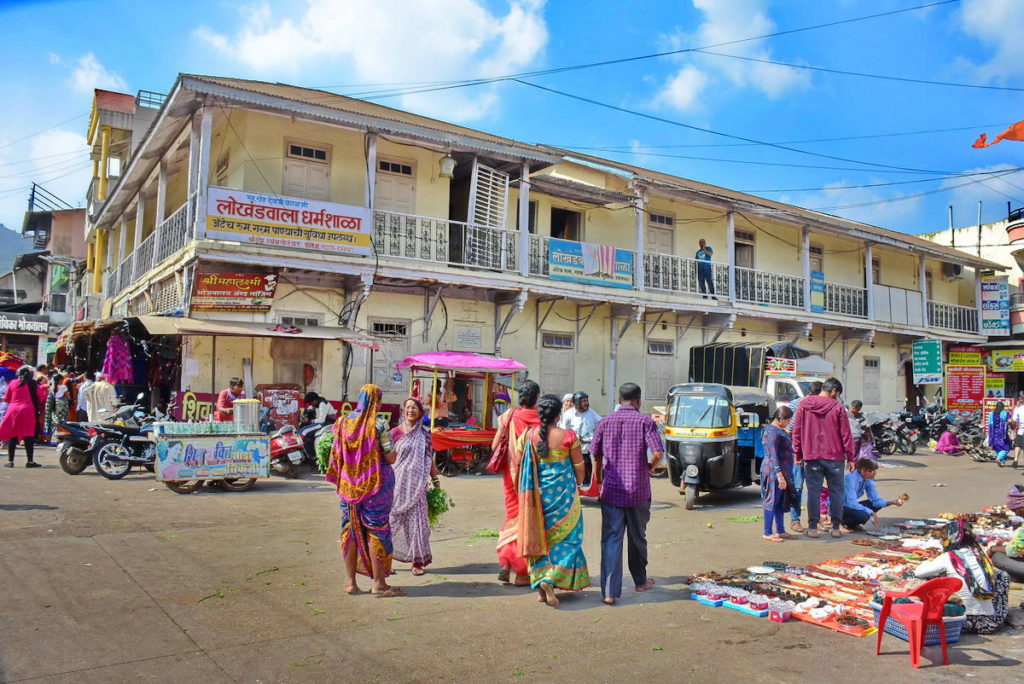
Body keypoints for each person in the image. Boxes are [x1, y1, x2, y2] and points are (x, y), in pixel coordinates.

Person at [325, 384, 404, 598]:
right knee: (377, 530)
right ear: (376, 402)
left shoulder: (342, 423)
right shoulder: (378, 425)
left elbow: (335, 455)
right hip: (376, 486)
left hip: (348, 486)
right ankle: (379, 584)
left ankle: (350, 582)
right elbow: (391, 457)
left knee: (350, 530)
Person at [590, 382, 665, 605]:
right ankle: (640, 581)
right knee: (637, 537)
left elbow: (595, 454)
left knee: (611, 540)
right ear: (638, 400)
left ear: (619, 399)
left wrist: (600, 480)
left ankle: (609, 592)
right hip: (638, 490)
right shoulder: (645, 421)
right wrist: (649, 466)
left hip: (611, 489)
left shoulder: (604, 421)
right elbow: (658, 452)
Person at [517, 394, 590, 607]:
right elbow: (579, 466)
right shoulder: (568, 436)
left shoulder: (529, 435)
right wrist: (576, 485)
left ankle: (540, 582)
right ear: (559, 414)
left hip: (538, 498)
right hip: (565, 498)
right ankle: (551, 579)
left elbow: (520, 463)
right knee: (570, 540)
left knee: (542, 539)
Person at [914, 519, 1009, 634]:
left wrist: (932, 559)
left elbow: (918, 572)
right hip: (991, 623)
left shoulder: (948, 557)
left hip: (960, 623)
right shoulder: (979, 555)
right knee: (1001, 575)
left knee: (918, 576)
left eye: (943, 539)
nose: (940, 542)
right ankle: (992, 610)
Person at [491, 380, 541, 585]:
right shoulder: (541, 418)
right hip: (534, 477)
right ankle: (522, 572)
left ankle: (505, 563)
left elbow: (495, 445)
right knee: (529, 520)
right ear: (537, 398)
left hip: (510, 475)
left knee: (512, 516)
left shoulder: (508, 415)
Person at [791, 377, 854, 539]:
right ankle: (835, 528)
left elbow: (796, 431)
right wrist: (851, 458)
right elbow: (846, 435)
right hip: (835, 457)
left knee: (813, 491)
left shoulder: (804, 405)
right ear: (834, 391)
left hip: (811, 456)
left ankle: (812, 528)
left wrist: (797, 453)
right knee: (836, 491)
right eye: (837, 393)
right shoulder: (838, 407)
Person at [389, 397, 438, 576]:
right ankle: (385, 560)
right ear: (403, 411)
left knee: (416, 525)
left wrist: (436, 481)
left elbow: (428, 458)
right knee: (392, 523)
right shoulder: (394, 432)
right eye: (408, 407)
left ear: (420, 412)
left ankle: (417, 562)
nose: (410, 410)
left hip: (418, 487)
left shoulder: (425, 434)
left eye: (414, 408)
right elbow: (387, 458)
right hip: (397, 484)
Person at [787, 380, 822, 534]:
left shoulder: (823, 406)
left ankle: (815, 520)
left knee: (816, 488)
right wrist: (796, 451)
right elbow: (789, 429)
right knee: (798, 486)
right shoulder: (798, 405)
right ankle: (795, 520)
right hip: (799, 455)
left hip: (816, 453)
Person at [0, 365, 47, 468]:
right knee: (28, 436)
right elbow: (41, 397)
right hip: (27, 410)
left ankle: (10, 461)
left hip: (13, 410)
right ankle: (30, 462)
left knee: (13, 435)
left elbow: (7, 398)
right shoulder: (33, 384)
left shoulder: (12, 383)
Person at [839, 457, 904, 531]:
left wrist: (892, 502)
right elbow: (852, 503)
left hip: (849, 506)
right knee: (865, 515)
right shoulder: (850, 479)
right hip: (839, 507)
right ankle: (841, 523)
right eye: (872, 471)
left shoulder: (868, 480)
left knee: (876, 505)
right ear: (863, 471)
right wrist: (871, 512)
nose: (875, 474)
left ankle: (852, 524)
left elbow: (876, 500)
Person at [761, 406, 795, 543]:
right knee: (772, 500)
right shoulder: (772, 432)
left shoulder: (778, 430)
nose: (788, 423)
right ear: (781, 419)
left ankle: (780, 530)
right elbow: (772, 455)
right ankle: (767, 532)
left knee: (780, 502)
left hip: (782, 471)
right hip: (773, 472)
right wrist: (779, 475)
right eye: (787, 420)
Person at [561, 391, 601, 484]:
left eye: (586, 401)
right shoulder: (568, 414)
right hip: (575, 446)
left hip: (589, 446)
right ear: (577, 402)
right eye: (583, 401)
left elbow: (601, 422)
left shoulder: (591, 412)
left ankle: (590, 489)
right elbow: (563, 430)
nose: (586, 403)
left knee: (590, 469)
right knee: (576, 468)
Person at [989, 401, 1012, 466]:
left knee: (998, 448)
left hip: (993, 433)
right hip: (1002, 434)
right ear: (1003, 407)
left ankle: (1002, 462)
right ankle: (999, 458)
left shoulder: (991, 414)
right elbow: (1010, 421)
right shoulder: (1005, 413)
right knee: (1006, 447)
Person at [1012, 396, 1024, 467]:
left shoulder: (1018, 408)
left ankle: (1016, 458)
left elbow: (1014, 419)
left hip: (1021, 429)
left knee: (1018, 445)